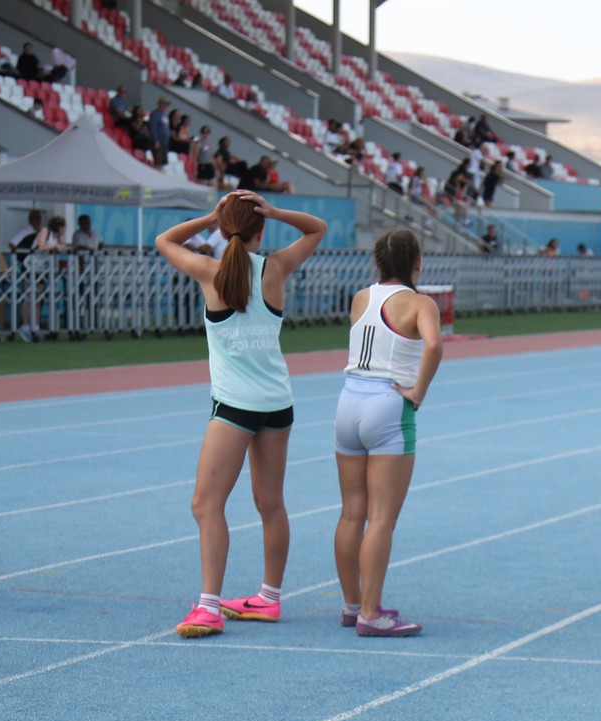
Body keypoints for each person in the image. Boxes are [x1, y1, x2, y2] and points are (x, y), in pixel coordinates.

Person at [153, 191, 326, 638]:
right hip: (276, 405)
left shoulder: (208, 270)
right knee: (271, 504)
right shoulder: (277, 267)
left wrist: (211, 217)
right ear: (261, 229)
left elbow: (164, 240)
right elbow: (317, 229)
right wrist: (277, 211)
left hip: (234, 407)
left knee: (206, 504)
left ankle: (208, 606)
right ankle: (268, 598)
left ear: (222, 228)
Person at [332, 228, 441, 637]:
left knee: (351, 512)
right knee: (381, 518)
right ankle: (371, 613)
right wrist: (418, 391)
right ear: (418, 262)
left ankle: (352, 603)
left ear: (377, 263)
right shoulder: (420, 302)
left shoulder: (361, 297)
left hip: (349, 401)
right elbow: (434, 346)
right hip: (388, 405)